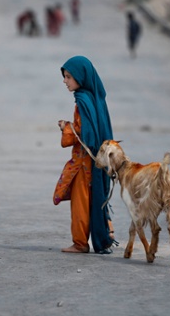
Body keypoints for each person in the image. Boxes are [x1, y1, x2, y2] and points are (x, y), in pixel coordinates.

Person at [55, 56, 116, 254]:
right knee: (96, 197)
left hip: (85, 162)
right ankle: (108, 232)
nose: (65, 81)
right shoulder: (96, 99)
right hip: (98, 161)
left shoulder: (82, 101)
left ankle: (80, 243)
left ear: (80, 77)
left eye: (68, 77)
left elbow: (85, 134)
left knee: (80, 202)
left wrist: (66, 128)